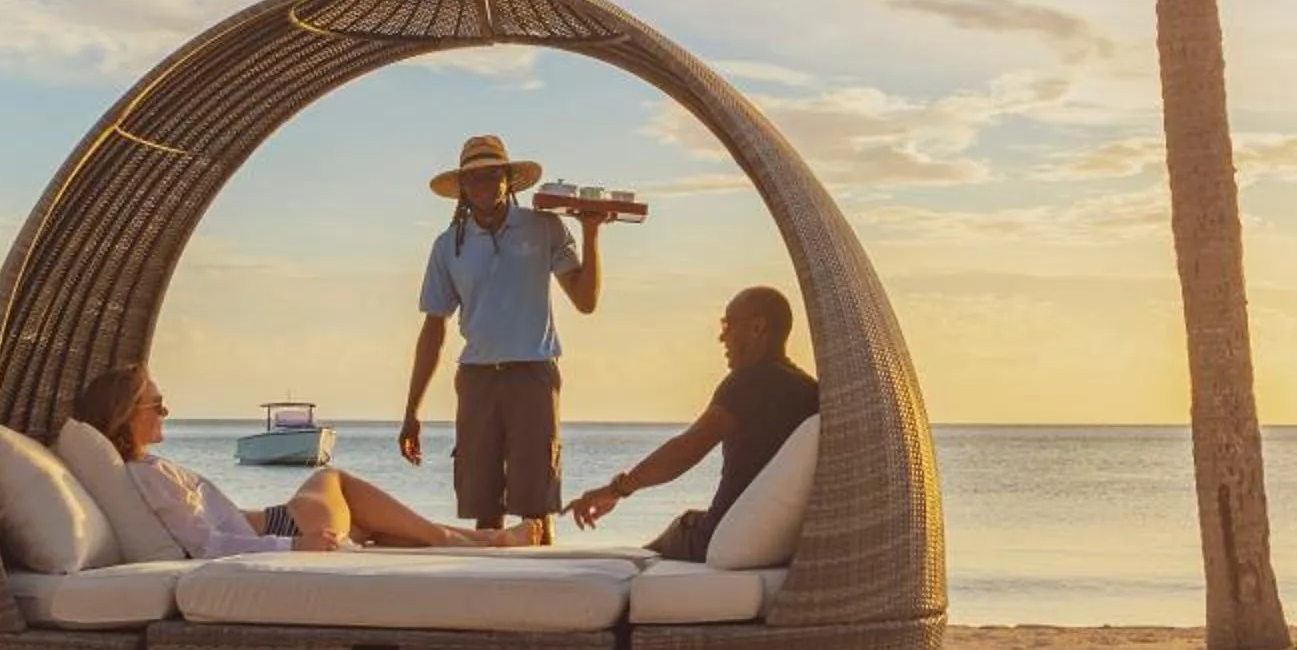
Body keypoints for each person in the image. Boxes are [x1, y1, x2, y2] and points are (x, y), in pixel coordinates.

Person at [70, 365, 526, 556]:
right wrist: (294, 546)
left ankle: (485, 538)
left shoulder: (145, 472)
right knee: (331, 476)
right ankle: (460, 541)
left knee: (379, 528)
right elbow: (207, 545)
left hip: (282, 523)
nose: (165, 412)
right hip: (283, 527)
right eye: (157, 405)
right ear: (127, 414)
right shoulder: (146, 475)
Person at [399, 133, 605, 541]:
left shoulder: (544, 226)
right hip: (476, 380)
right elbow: (433, 329)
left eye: (493, 175)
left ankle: (543, 597)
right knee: (483, 508)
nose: (484, 185)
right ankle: (488, 598)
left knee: (537, 507)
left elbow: (585, 301)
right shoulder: (447, 247)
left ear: (509, 180)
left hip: (533, 375)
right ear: (461, 187)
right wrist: (411, 410)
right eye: (474, 178)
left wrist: (592, 233)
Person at [567, 285, 817, 562]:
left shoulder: (747, 384)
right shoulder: (812, 393)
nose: (722, 336)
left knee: (660, 544)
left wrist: (616, 490)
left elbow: (686, 449)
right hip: (780, 544)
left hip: (719, 536)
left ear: (757, 328)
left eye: (728, 324)